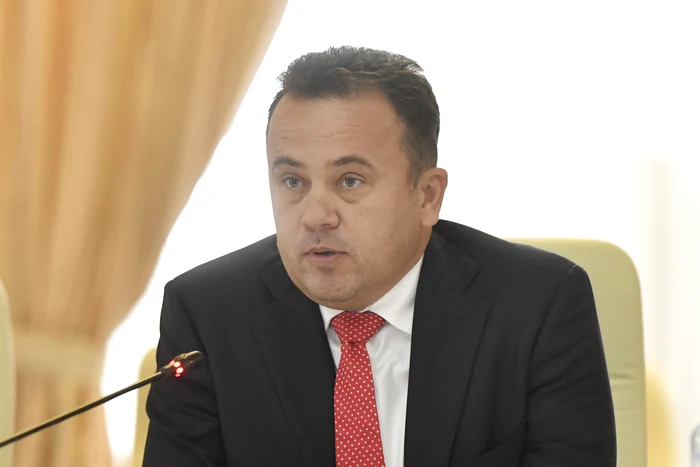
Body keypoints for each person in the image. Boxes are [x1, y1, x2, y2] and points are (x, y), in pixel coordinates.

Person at [142, 46, 616, 467]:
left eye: (349, 180)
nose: (315, 215)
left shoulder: (537, 307)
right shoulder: (207, 315)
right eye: (292, 181)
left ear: (428, 196)